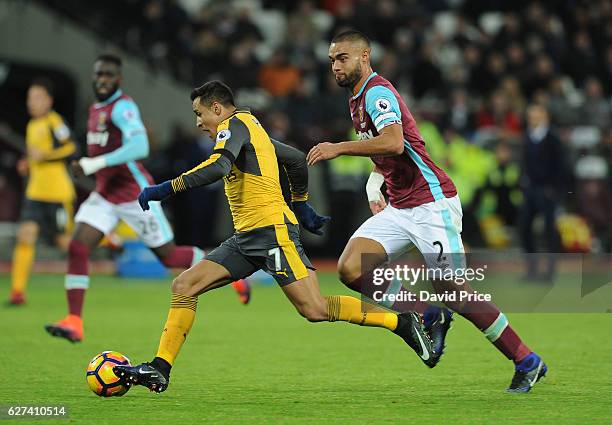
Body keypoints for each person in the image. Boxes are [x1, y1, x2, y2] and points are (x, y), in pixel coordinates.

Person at [112, 80, 434, 393]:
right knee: (184, 285)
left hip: (272, 235)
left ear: (216, 108)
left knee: (315, 309)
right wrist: (301, 204)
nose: (198, 123)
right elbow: (294, 159)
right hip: (246, 239)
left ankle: (401, 323)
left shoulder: (232, 126)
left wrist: (165, 188)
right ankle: (160, 367)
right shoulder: (253, 128)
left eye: (200, 114)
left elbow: (218, 167)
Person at [307, 30, 547, 393]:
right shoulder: (356, 99)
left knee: (455, 290)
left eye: (342, 58)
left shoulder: (377, 93)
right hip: (401, 206)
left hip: (432, 203)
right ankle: (427, 311)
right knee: (350, 267)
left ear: (364, 56)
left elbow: (393, 141)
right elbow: (384, 154)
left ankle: (526, 360)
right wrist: (376, 186)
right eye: (331, 60)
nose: (335, 65)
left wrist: (337, 148)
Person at [44, 55, 248, 343]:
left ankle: (233, 273)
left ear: (119, 80)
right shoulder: (95, 109)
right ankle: (74, 321)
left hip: (132, 193)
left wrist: (94, 164)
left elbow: (139, 145)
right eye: (98, 74)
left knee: (170, 257)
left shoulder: (123, 107)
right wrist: (90, 166)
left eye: (108, 75)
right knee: (78, 247)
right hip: (104, 195)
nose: (102, 80)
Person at [8, 78, 76, 306]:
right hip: (35, 193)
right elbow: (36, 155)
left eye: (37, 97)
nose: (32, 102)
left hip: (57, 194)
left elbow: (71, 147)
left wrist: (44, 156)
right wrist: (27, 162)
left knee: (64, 242)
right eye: (30, 98)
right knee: (25, 235)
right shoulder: (32, 125)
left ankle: (107, 240)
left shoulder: (54, 122)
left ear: (49, 101)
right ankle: (17, 292)